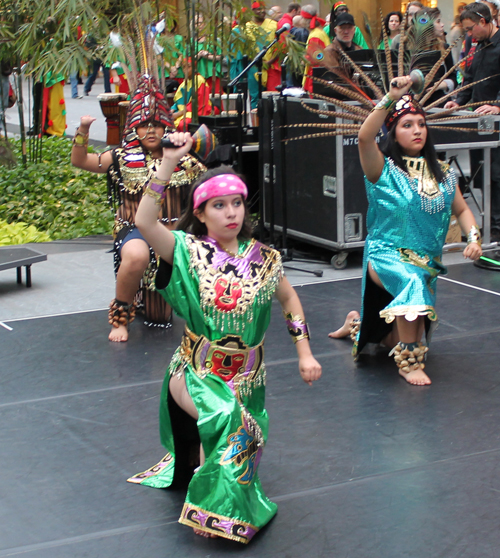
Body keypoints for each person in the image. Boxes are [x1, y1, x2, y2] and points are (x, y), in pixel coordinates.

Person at [127, 137, 322, 542]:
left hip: (250, 378)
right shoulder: (185, 249)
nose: (231, 212)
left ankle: (213, 490)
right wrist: (168, 163)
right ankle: (212, 511)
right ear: (200, 213)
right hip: (196, 371)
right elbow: (145, 222)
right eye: (219, 205)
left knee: (242, 431)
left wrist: (305, 352)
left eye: (236, 203)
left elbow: (289, 299)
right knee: (226, 419)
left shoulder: (265, 258)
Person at [330, 76, 482, 386]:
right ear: (393, 132)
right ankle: (408, 365)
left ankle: (357, 324)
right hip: (386, 255)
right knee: (410, 284)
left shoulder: (444, 174)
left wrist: (473, 237)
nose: (416, 130)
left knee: (393, 342)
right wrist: (389, 97)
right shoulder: (382, 169)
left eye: (421, 124)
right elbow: (363, 137)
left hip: (426, 262)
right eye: (407, 125)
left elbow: (462, 210)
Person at [71, 76, 206, 342]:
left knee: (160, 319)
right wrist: (83, 130)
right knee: (135, 256)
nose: (151, 131)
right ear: (135, 129)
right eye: (144, 125)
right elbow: (81, 160)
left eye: (156, 124)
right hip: (133, 229)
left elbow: (211, 188)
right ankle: (120, 316)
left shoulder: (185, 159)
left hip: (173, 234)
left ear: (166, 126)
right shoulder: (120, 157)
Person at [444, 2, 500, 242]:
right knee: (483, 174)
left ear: (484, 22)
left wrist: (498, 106)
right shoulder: (478, 46)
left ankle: (497, 225)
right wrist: (459, 101)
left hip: (496, 121)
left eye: (470, 29)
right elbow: (470, 77)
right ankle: (490, 222)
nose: (468, 34)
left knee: (497, 175)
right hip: (478, 121)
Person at [301, 4, 331, 92]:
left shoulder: (315, 35)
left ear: (306, 20)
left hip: (315, 77)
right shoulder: (318, 32)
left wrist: (304, 59)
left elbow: (315, 59)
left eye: (302, 17)